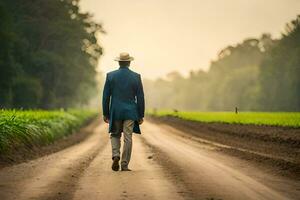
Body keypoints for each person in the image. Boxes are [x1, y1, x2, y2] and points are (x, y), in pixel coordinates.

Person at [102, 52, 145, 171]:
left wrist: (106, 113)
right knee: (128, 137)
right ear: (129, 63)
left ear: (119, 62)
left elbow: (106, 96)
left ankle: (116, 155)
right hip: (131, 112)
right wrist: (140, 115)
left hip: (116, 111)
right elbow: (140, 97)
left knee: (115, 134)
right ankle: (124, 164)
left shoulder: (110, 76)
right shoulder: (136, 77)